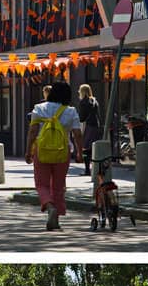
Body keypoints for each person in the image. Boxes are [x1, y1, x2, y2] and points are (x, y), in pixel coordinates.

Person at [26, 80, 84, 231]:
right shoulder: (71, 111)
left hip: (42, 150)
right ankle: (56, 218)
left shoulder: (39, 108)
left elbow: (32, 132)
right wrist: (80, 151)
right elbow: (77, 133)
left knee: (41, 184)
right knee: (58, 186)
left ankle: (50, 207)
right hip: (62, 151)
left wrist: (28, 151)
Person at [76, 83, 101, 174]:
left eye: (80, 90)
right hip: (95, 125)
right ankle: (96, 168)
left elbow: (82, 118)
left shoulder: (83, 102)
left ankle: (87, 169)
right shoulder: (94, 101)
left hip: (88, 126)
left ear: (82, 92)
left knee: (86, 147)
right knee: (93, 147)